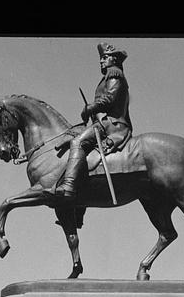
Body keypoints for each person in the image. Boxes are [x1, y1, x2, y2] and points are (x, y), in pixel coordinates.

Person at [54, 42, 132, 200]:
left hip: (111, 124)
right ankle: (79, 206)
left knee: (77, 143)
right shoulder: (108, 77)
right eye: (101, 58)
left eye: (105, 58)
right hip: (103, 123)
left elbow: (109, 99)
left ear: (114, 60)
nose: (101, 61)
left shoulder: (114, 74)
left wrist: (91, 108)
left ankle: (69, 185)